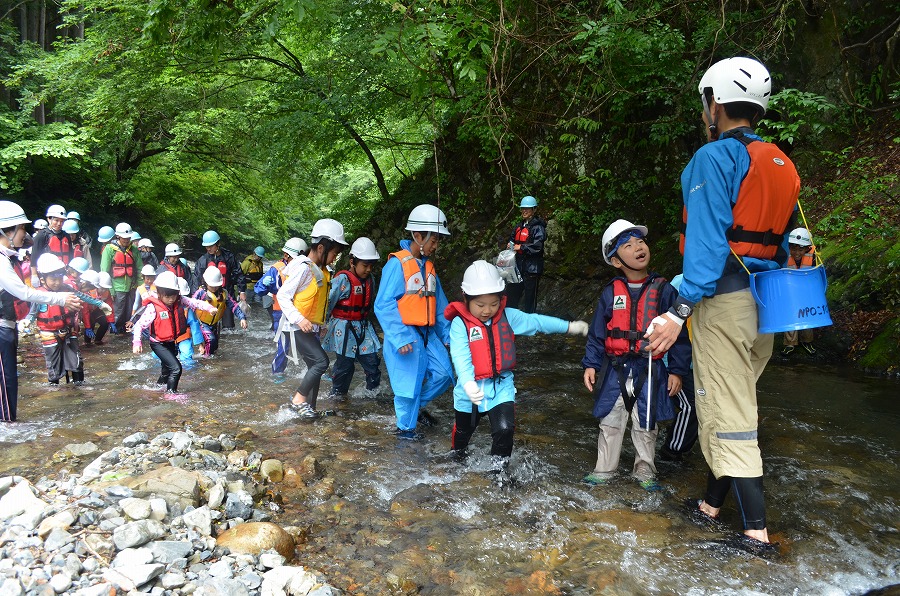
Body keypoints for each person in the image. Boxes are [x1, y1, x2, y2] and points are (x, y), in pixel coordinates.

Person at [646, 57, 800, 547]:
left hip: (725, 306)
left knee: (729, 414)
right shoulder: (781, 162)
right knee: (734, 401)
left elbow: (708, 246)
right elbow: (784, 244)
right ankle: (712, 505)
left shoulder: (713, 159)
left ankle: (756, 531)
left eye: (705, 102)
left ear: (714, 104)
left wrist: (677, 310)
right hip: (767, 305)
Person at [582, 220, 690, 491]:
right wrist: (591, 364)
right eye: (628, 246)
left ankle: (645, 470)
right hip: (616, 367)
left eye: (640, 242)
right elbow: (597, 333)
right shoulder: (610, 293)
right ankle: (604, 470)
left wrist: (677, 370)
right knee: (610, 419)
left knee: (646, 421)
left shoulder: (665, 290)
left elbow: (679, 335)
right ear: (616, 261)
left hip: (650, 367)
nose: (638, 247)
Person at [446, 260, 588, 465]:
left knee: (505, 430)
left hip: (501, 386)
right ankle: (456, 461)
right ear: (466, 298)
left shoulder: (508, 317)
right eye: (480, 305)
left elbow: (536, 322)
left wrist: (569, 327)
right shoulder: (460, 324)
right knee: (462, 434)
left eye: (493, 304)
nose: (487, 310)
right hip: (469, 391)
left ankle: (499, 473)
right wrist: (467, 382)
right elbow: (460, 356)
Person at [373, 204, 454, 440]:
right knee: (407, 389)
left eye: (438, 239)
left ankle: (413, 410)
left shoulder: (429, 268)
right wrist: (399, 337)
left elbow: (440, 308)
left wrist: (450, 337)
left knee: (444, 374)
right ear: (418, 236)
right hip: (405, 334)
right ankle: (405, 433)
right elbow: (384, 304)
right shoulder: (396, 264)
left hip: (427, 333)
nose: (436, 244)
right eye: (434, 239)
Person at [0, 202, 81, 421]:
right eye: (22, 228)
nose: (24, 234)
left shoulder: (7, 256)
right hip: (2, 329)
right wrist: (60, 298)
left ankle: (8, 423)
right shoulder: (1, 260)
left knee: (8, 379)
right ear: (7, 231)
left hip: (7, 326)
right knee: (6, 379)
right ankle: (8, 424)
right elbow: (23, 292)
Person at [277, 219, 348, 419]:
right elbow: (283, 296)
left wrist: (321, 324)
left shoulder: (322, 271)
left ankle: (310, 409)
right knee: (321, 362)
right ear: (320, 247)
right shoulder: (304, 268)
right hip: (295, 327)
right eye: (334, 253)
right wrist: (299, 319)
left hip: (308, 328)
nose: (335, 258)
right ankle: (298, 400)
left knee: (314, 366)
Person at [132, 271, 217, 395]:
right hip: (158, 344)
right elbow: (139, 325)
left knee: (166, 371)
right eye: (167, 297)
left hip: (170, 342)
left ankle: (158, 388)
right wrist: (137, 342)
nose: (171, 300)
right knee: (176, 369)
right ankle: (171, 394)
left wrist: (209, 308)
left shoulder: (179, 300)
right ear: (159, 293)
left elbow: (195, 303)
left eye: (174, 296)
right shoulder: (153, 307)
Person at [323, 237, 383, 400]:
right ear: (352, 262)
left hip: (363, 326)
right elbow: (327, 304)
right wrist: (322, 326)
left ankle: (372, 396)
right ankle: (338, 396)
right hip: (344, 328)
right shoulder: (341, 280)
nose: (368, 269)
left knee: (372, 363)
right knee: (345, 365)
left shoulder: (371, 280)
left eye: (371, 265)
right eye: (365, 265)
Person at [25, 254, 85, 386]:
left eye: (59, 279)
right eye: (53, 279)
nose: (57, 283)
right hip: (49, 332)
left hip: (69, 330)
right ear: (43, 278)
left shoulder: (68, 290)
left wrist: (100, 305)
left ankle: (80, 386)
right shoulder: (39, 295)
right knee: (53, 363)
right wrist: (27, 321)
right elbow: (32, 313)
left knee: (76, 362)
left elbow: (83, 299)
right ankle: (54, 387)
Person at [658, 273, 698, 462]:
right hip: (675, 360)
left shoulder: (722, 286)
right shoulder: (680, 283)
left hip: (698, 360)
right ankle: (672, 450)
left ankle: (680, 443)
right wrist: (674, 367)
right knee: (691, 406)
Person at [255, 237, 306, 381]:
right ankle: (278, 372)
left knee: (309, 342)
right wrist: (265, 285)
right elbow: (258, 290)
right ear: (286, 256)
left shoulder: (306, 268)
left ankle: (315, 370)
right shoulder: (275, 270)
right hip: (280, 313)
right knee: (284, 346)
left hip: (300, 313)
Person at [193, 230, 245, 330]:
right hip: (208, 297)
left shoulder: (229, 257)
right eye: (206, 246)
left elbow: (239, 274)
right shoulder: (202, 260)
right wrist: (196, 299)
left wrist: (241, 290)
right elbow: (196, 279)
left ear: (218, 244)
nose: (208, 248)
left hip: (226, 294)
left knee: (229, 328)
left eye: (211, 246)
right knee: (209, 326)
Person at [192, 267, 247, 357]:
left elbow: (234, 306)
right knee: (210, 340)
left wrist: (242, 318)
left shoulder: (224, 293)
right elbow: (191, 304)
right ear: (205, 282)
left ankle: (208, 360)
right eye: (211, 286)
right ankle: (207, 361)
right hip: (202, 323)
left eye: (216, 286)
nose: (214, 288)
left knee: (214, 347)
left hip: (215, 324)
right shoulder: (201, 293)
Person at [505, 196, 546, 313]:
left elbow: (537, 247)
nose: (524, 211)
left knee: (530, 298)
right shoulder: (519, 226)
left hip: (532, 268)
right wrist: (511, 245)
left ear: (533, 210)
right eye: (523, 208)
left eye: (527, 209)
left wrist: (521, 247)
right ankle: (511, 319)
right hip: (518, 266)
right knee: (512, 294)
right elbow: (512, 240)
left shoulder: (538, 228)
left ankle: (530, 323)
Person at [99, 223, 142, 334]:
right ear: (118, 236)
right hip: (116, 287)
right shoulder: (109, 249)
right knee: (117, 314)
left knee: (130, 314)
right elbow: (104, 271)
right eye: (124, 238)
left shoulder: (134, 250)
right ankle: (114, 335)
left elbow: (139, 269)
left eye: (128, 238)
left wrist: (141, 288)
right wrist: (110, 290)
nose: (127, 240)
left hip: (132, 286)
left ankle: (126, 335)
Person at [782, 227, 817, 355]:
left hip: (807, 291)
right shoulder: (784, 256)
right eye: (793, 249)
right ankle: (790, 343)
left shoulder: (814, 256)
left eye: (800, 249)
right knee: (789, 314)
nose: (796, 252)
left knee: (806, 314)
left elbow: (818, 275)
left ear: (807, 248)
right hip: (790, 290)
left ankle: (806, 341)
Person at [31, 204, 74, 284]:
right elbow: (34, 256)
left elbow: (70, 255)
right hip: (47, 274)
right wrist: (34, 275)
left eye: (62, 221)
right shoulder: (42, 235)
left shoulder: (66, 236)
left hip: (62, 273)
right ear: (49, 219)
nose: (59, 223)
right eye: (56, 220)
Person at [82, 271, 115, 345]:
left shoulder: (106, 292)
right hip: (86, 312)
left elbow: (109, 307)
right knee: (91, 324)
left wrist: (111, 321)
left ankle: (98, 341)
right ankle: (87, 343)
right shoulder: (88, 292)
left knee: (105, 323)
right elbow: (85, 311)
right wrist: (87, 327)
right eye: (102, 288)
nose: (104, 291)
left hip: (95, 310)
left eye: (106, 289)